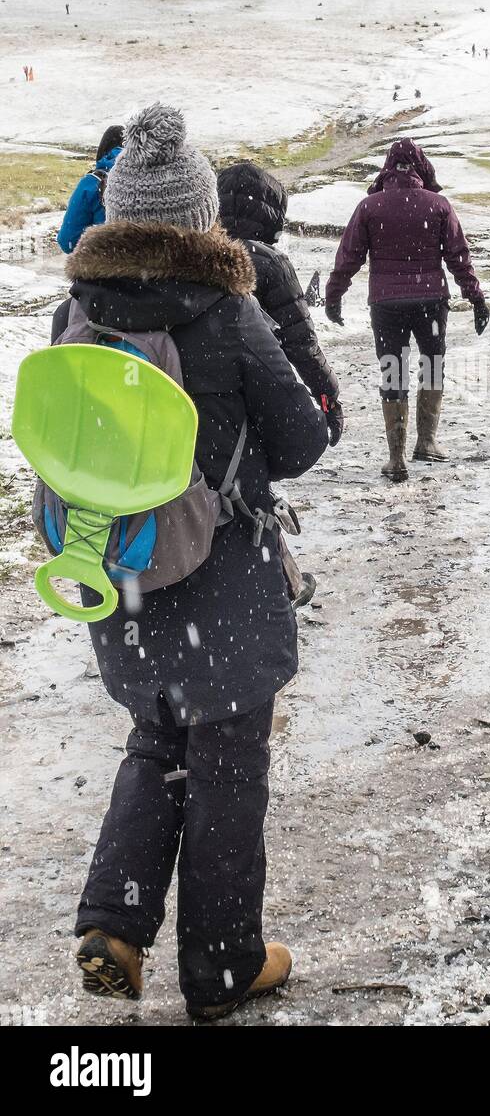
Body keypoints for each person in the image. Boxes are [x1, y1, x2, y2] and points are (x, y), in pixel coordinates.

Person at [59, 103, 328, 1019]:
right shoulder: (228, 308)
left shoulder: (78, 306)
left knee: (156, 738)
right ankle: (221, 966)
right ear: (199, 214)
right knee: (227, 761)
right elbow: (299, 442)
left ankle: (116, 924)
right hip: (225, 579)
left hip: (119, 567)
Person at [324, 138, 489, 480]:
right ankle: (427, 442)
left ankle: (396, 457)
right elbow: (459, 258)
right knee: (432, 365)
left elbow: (349, 256)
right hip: (430, 301)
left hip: (386, 303)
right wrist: (476, 298)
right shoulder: (438, 205)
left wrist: (334, 295)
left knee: (392, 370)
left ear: (388, 166)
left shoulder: (370, 207)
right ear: (421, 166)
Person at [216, 160, 342, 447]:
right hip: (256, 387)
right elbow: (301, 342)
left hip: (197, 390)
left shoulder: (196, 252)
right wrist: (328, 395)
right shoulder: (270, 264)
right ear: (271, 211)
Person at [57, 124, 124, 253]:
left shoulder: (91, 183)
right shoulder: (152, 178)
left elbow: (67, 241)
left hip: (104, 264)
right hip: (151, 266)